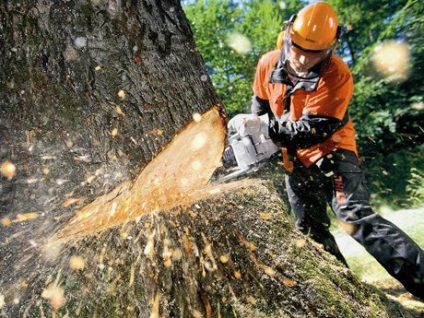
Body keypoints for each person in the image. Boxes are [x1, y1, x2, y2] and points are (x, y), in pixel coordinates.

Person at [248, 1, 424, 300]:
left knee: (355, 218)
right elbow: (260, 106)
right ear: (289, 36)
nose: (303, 59)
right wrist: (254, 133)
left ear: (329, 49)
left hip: (333, 153)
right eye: (298, 49)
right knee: (310, 232)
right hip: (294, 162)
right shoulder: (268, 63)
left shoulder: (337, 74)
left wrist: (268, 130)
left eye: (313, 54)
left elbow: (313, 130)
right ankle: (346, 297)